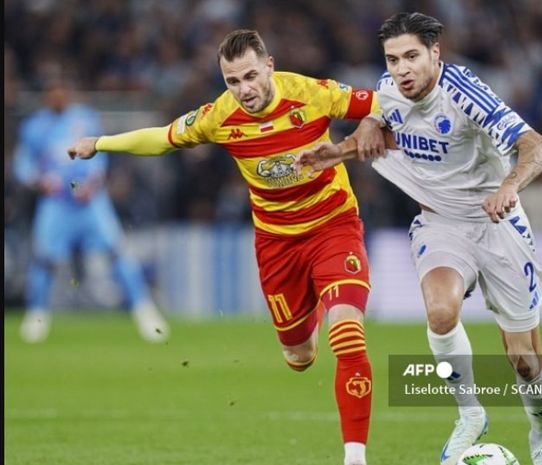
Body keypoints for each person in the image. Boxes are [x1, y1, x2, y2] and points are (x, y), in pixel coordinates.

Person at [68, 29, 385, 465]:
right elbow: (163, 138)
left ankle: (355, 457)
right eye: (232, 81)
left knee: (347, 335)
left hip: (333, 227)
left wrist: (371, 120)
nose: (244, 90)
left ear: (269, 65)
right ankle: (311, 305)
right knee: (300, 356)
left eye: (251, 76)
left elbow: (385, 102)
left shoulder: (312, 94)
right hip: (276, 244)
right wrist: (99, 144)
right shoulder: (220, 116)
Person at [295, 12, 542, 465]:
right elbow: (373, 127)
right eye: (393, 59)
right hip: (440, 224)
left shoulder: (463, 92)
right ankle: (470, 414)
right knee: (440, 314)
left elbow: (538, 146)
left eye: (412, 57)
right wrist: (336, 151)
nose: (402, 69)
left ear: (435, 54)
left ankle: (541, 436)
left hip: (497, 223)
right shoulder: (387, 91)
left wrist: (509, 186)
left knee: (524, 360)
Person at [13, 72, 170, 344]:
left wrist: (94, 181)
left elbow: (100, 156)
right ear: (46, 95)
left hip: (90, 203)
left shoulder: (84, 118)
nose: (58, 95)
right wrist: (39, 180)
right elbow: (22, 163)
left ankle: (145, 312)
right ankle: (37, 317)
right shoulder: (35, 126)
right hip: (57, 203)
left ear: (69, 92)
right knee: (45, 260)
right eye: (52, 90)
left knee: (117, 252)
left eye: (62, 89)